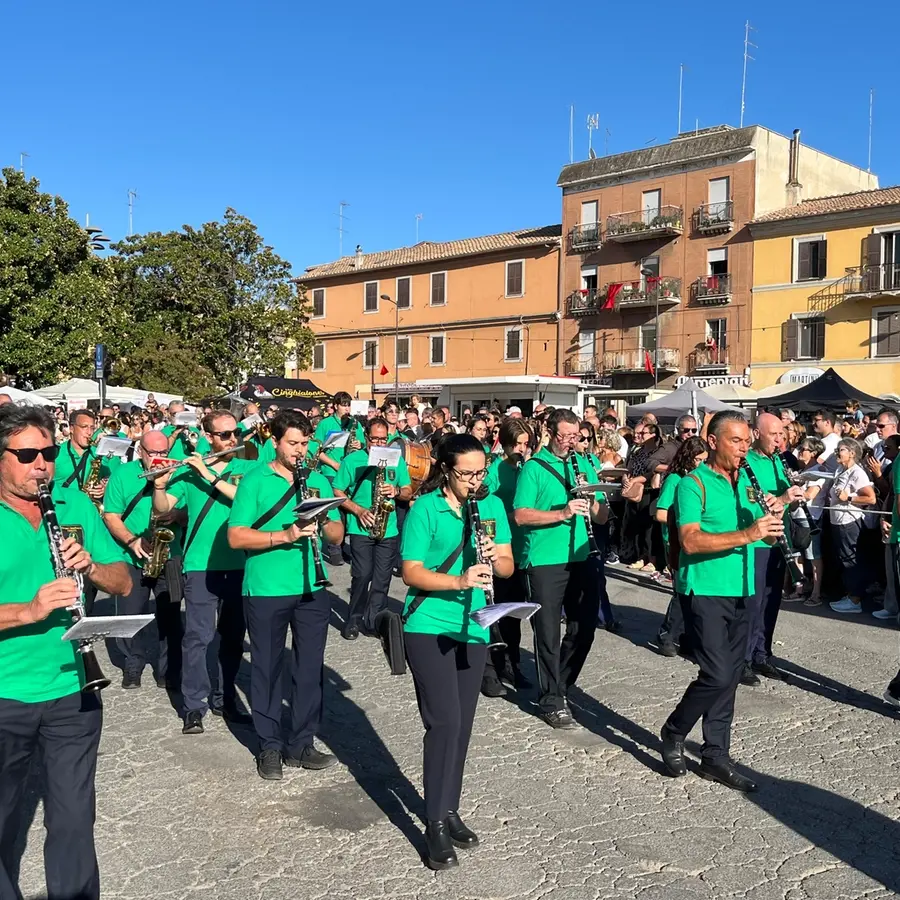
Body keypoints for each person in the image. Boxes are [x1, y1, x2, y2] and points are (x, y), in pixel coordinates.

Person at [0, 404, 131, 900]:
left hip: (73, 690)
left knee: (74, 821)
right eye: (27, 454)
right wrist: (29, 611)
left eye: (49, 453)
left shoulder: (72, 505)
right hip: (5, 692)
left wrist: (91, 566)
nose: (42, 465)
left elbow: (122, 579)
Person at [401, 434, 513, 870]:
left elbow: (506, 565)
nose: (474, 480)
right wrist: (460, 581)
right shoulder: (425, 509)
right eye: (466, 473)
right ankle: (433, 823)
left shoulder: (492, 507)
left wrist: (492, 558)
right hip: (428, 624)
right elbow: (411, 572)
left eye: (480, 471)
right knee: (443, 722)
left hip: (475, 625)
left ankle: (449, 808)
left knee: (462, 726)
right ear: (446, 469)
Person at [660, 411, 783, 793]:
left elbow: (761, 538)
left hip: (744, 587)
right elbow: (691, 540)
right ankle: (675, 729)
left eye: (747, 441)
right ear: (713, 441)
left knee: (730, 676)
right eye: (736, 441)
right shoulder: (691, 483)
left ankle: (716, 754)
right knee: (717, 673)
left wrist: (772, 527)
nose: (744, 449)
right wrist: (749, 532)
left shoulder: (748, 481)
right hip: (706, 589)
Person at [228, 410, 344, 780]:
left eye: (305, 442)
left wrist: (325, 518)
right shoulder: (254, 480)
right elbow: (236, 536)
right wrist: (286, 536)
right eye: (293, 443)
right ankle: (270, 746)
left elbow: (338, 537)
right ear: (275, 443)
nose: (300, 450)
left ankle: (302, 743)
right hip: (266, 588)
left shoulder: (318, 481)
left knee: (309, 669)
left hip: (313, 586)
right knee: (267, 667)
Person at [150, 412, 256, 733]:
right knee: (197, 637)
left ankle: (225, 698)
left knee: (233, 637)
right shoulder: (188, 471)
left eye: (234, 433)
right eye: (223, 435)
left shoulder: (247, 468)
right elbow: (163, 509)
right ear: (208, 436)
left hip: (239, 563)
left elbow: (245, 501)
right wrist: (159, 484)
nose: (231, 440)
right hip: (199, 565)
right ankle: (193, 705)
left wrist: (208, 474)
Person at [513, 408, 607, 729]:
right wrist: (563, 513)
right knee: (548, 633)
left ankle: (561, 684)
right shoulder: (534, 468)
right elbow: (521, 515)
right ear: (550, 433)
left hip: (582, 555)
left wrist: (593, 503)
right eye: (565, 436)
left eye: (575, 437)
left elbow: (603, 516)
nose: (570, 442)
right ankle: (551, 699)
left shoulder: (585, 464)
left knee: (585, 629)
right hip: (544, 560)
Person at [103, 430, 185, 689]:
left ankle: (167, 669)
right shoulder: (124, 475)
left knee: (170, 614)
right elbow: (111, 515)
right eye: (153, 453)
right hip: (131, 555)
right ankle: (133, 664)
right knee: (129, 614)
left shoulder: (179, 473)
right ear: (140, 452)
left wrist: (179, 516)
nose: (160, 459)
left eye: (164, 453)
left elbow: (191, 511)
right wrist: (132, 540)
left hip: (169, 553)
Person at [740, 413, 804, 685]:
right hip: (757, 542)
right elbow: (752, 503)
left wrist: (795, 498)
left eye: (782, 434)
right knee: (752, 603)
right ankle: (742, 659)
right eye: (773, 434)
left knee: (771, 600)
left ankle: (762, 654)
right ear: (756, 433)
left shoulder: (778, 461)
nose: (779, 440)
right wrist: (782, 498)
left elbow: (784, 504)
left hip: (780, 538)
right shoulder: (745, 464)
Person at [333, 417, 412, 639]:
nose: (378, 444)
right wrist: (358, 510)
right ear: (366, 438)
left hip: (388, 528)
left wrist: (396, 492)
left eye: (382, 439)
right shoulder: (353, 460)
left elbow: (408, 490)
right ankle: (354, 618)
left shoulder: (396, 461)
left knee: (382, 577)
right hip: (361, 526)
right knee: (362, 574)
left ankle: (373, 619)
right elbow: (337, 490)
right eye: (374, 439)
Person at [480, 418, 534, 696]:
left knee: (513, 613)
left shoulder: (529, 468)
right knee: (492, 610)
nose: (522, 449)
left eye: (526, 444)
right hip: (499, 547)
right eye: (518, 444)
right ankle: (488, 669)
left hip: (521, 550)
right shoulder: (494, 470)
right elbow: (482, 503)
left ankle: (512, 664)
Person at [654, 437, 709, 657]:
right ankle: (666, 634)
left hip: (697, 540)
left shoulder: (700, 478)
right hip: (676, 542)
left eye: (704, 460)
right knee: (681, 591)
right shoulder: (675, 480)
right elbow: (660, 512)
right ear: (688, 457)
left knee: (694, 592)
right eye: (697, 459)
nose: (701, 464)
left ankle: (687, 637)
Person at [827, 438, 876, 614]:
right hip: (837, 521)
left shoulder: (857, 473)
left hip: (849, 522)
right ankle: (850, 595)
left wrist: (848, 498)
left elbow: (871, 498)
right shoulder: (841, 469)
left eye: (841, 450)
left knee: (850, 559)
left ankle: (855, 600)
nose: (836, 453)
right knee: (844, 559)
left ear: (852, 453)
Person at [786, 437, 829, 607]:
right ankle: (799, 589)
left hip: (811, 516)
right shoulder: (801, 470)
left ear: (813, 452)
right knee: (797, 554)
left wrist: (796, 486)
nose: (799, 452)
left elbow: (810, 494)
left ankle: (816, 593)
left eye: (803, 449)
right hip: (796, 515)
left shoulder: (819, 471)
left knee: (813, 556)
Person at [621, 423, 664, 573]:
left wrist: (636, 479)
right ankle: (641, 556)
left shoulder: (658, 453)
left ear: (653, 435)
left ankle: (651, 559)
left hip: (649, 491)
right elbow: (630, 468)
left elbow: (651, 473)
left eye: (643, 433)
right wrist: (627, 478)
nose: (638, 436)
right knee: (637, 525)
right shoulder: (637, 451)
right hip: (635, 491)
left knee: (649, 528)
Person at [54, 409, 112, 505]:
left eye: (92, 428)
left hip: (89, 510)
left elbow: (108, 477)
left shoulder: (98, 454)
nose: (89, 433)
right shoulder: (56, 453)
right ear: (72, 428)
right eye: (84, 427)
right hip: (63, 511)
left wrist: (104, 487)